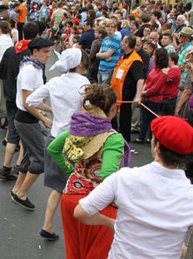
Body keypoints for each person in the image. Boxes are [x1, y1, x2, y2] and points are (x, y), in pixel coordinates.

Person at [74, 116, 193, 259]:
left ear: (156, 146)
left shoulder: (124, 178)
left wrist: (109, 222)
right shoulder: (190, 195)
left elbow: (81, 212)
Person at [48, 83, 126, 259]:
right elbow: (108, 175)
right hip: (98, 205)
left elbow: (54, 148)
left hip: (70, 197)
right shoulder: (113, 138)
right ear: (114, 108)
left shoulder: (78, 130)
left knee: (74, 252)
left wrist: (73, 173)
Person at [26, 48, 90, 241]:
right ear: (80, 64)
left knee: (59, 187)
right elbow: (87, 110)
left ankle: (48, 225)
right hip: (75, 140)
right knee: (79, 185)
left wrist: (52, 110)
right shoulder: (84, 83)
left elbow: (30, 100)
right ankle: (78, 229)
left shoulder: (54, 81)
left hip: (54, 138)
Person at [10, 37, 54, 210]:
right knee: (41, 159)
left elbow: (34, 101)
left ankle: (17, 189)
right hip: (26, 120)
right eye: (45, 51)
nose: (48, 55)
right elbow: (27, 102)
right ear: (34, 52)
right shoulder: (30, 70)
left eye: (49, 51)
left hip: (28, 118)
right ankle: (21, 193)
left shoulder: (33, 67)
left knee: (29, 155)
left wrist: (50, 110)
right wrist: (44, 118)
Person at [0, 22, 39, 181]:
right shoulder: (33, 55)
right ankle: (18, 166)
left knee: (12, 133)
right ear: (36, 35)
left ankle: (5, 167)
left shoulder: (10, 50)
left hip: (10, 96)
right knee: (25, 136)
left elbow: (1, 72)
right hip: (25, 100)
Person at [110, 34, 145, 143]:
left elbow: (140, 79)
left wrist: (138, 96)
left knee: (125, 118)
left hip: (126, 94)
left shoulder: (135, 60)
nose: (121, 44)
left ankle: (124, 141)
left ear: (127, 44)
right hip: (116, 92)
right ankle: (114, 136)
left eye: (123, 42)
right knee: (114, 116)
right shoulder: (124, 57)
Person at [136, 48, 169, 143]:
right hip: (147, 97)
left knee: (152, 120)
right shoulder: (155, 68)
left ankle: (151, 138)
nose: (153, 57)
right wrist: (143, 89)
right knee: (143, 118)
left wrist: (143, 92)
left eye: (154, 56)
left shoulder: (163, 73)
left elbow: (155, 88)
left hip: (154, 100)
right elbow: (148, 80)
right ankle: (141, 137)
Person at [96, 20, 121, 84]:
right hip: (101, 67)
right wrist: (101, 55)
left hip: (109, 69)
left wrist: (101, 55)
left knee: (105, 90)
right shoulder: (106, 39)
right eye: (108, 26)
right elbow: (98, 54)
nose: (110, 28)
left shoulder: (116, 39)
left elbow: (107, 54)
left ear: (115, 29)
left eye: (112, 26)